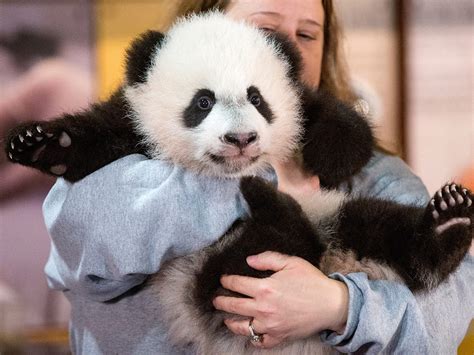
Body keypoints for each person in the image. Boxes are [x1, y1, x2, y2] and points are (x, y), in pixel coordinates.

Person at [41, 0, 473, 354]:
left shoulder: (375, 173)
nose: (289, 49)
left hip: (310, 258)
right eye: (265, 29)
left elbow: (447, 317)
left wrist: (338, 306)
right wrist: (255, 185)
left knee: (369, 223)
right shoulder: (131, 154)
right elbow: (85, 242)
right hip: (212, 300)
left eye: (308, 34)